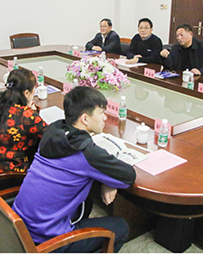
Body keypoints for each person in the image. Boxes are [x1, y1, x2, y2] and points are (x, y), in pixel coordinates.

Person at [13, 86, 135, 252]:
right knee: (120, 227)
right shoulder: (87, 153)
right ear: (85, 118)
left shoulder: (53, 132)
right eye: (101, 112)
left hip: (19, 225)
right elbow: (128, 176)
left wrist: (107, 180)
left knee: (86, 203)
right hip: (46, 240)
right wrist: (110, 180)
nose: (105, 118)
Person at [0, 68, 47, 174]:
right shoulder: (26, 115)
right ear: (26, 93)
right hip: (7, 176)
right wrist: (32, 112)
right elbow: (51, 135)